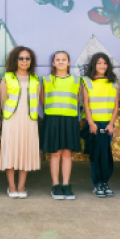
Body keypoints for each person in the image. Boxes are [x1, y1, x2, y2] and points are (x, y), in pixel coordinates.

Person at [0, 46, 41, 199]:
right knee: (11, 152)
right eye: (21, 58)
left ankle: (22, 186)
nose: (24, 61)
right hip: (12, 119)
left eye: (27, 58)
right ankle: (11, 186)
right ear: (15, 60)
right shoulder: (7, 77)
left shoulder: (35, 79)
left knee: (25, 152)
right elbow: (3, 99)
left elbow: (36, 99)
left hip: (29, 120)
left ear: (31, 61)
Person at [41, 51, 82, 200]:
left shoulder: (77, 80)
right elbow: (42, 100)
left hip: (70, 119)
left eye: (63, 59)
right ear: (53, 63)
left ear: (69, 62)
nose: (60, 62)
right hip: (52, 119)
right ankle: (55, 185)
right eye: (57, 60)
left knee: (66, 154)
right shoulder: (46, 79)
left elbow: (78, 100)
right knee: (55, 153)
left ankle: (66, 184)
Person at [81, 52, 120, 198]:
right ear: (93, 65)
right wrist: (91, 123)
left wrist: (111, 124)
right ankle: (97, 184)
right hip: (94, 125)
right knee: (96, 155)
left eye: (104, 63)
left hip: (107, 125)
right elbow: (86, 104)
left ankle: (105, 183)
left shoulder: (113, 82)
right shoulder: (87, 81)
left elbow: (116, 105)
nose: (102, 66)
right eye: (98, 63)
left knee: (106, 155)